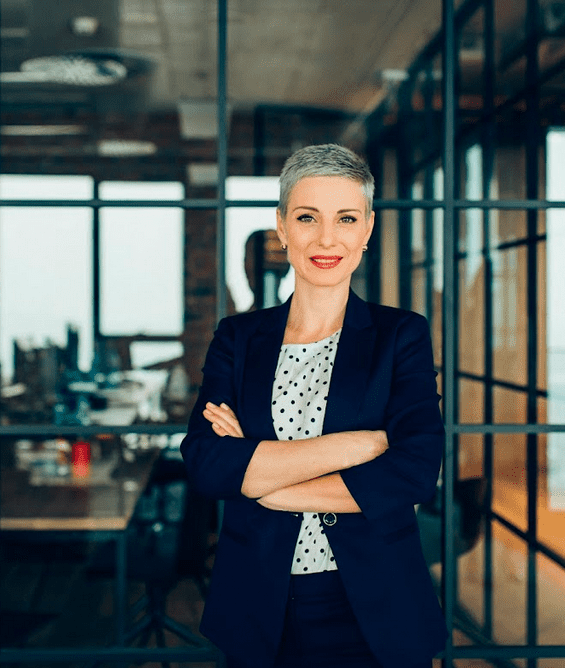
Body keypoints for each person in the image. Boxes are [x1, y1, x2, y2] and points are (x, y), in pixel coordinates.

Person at [180, 144, 447, 668]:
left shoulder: (401, 335)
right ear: (282, 228)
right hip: (259, 604)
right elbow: (207, 462)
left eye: (346, 218)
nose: (327, 238)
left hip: (375, 606)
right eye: (307, 217)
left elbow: (414, 473)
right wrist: (361, 445)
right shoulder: (238, 339)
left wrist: (265, 480)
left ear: (367, 230)